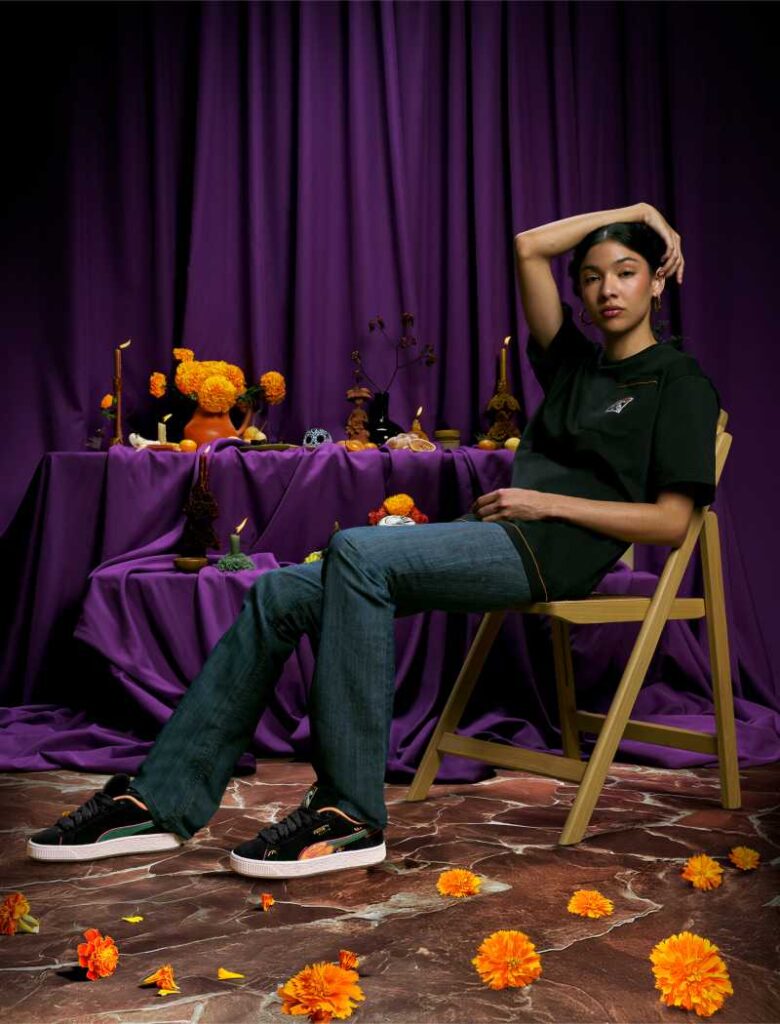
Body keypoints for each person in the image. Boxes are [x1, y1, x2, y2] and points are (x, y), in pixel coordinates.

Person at [27, 202, 719, 879]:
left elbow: (670, 521)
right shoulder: (572, 365)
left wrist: (542, 501)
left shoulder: (679, 382)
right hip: (501, 533)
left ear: (656, 282)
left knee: (358, 551)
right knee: (279, 591)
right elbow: (529, 246)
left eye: (626, 272)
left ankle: (350, 812)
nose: (608, 289)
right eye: (593, 276)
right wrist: (641, 210)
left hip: (553, 554)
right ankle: (157, 801)